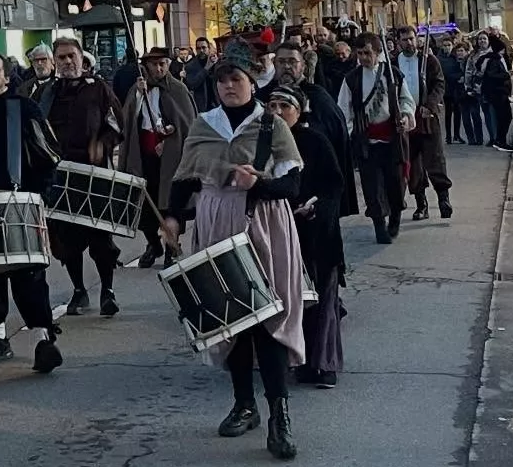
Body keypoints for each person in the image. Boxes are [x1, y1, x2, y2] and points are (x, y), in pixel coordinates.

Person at [163, 42, 303, 460]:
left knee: (266, 318)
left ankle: (279, 414)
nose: (228, 86)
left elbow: (292, 187)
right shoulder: (203, 126)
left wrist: (256, 184)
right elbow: (184, 180)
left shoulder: (271, 126)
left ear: (251, 82)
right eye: (222, 80)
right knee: (231, 319)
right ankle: (244, 404)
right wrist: (173, 218)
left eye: (236, 79)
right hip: (214, 223)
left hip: (263, 224)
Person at [0, 52, 64, 373]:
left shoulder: (23, 108)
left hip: (19, 202)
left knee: (28, 275)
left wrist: (41, 198)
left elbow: (49, 155)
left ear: (7, 76)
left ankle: (42, 339)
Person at [30, 37, 124, 316]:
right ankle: (79, 290)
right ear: (55, 62)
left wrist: (103, 144)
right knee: (67, 240)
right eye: (62, 57)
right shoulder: (46, 93)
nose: (67, 62)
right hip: (59, 176)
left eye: (72, 56)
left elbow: (117, 125)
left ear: (82, 59)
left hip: (93, 175)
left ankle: (107, 291)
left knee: (100, 238)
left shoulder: (99, 90)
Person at [267, 86, 346, 390]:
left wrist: (317, 209)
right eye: (271, 105)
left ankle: (325, 364)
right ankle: (296, 359)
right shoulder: (265, 143)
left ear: (298, 111)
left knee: (323, 301)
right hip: (280, 230)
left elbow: (334, 185)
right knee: (290, 300)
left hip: (317, 233)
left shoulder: (314, 140)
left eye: (284, 106)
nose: (277, 112)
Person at [260, 41, 358, 221]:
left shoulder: (318, 96)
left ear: (303, 66)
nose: (287, 67)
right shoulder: (263, 95)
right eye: (281, 62)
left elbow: (335, 134)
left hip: (311, 181)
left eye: (292, 62)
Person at [121, 47, 197, 268]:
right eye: (154, 64)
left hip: (170, 159)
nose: (159, 68)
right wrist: (137, 95)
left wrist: (170, 140)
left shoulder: (178, 89)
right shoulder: (138, 89)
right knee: (145, 204)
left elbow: (187, 123)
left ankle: (172, 247)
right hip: (144, 156)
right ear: (146, 66)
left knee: (171, 204)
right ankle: (153, 243)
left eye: (163, 63)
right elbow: (127, 121)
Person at [338, 33, 416, 243]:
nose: (363, 57)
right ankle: (379, 225)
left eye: (367, 53)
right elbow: (344, 110)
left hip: (392, 140)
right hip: (367, 143)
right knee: (372, 187)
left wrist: (405, 117)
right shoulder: (351, 79)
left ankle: (396, 218)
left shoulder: (392, 74)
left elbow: (406, 100)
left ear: (378, 52)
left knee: (395, 183)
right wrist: (352, 133)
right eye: (360, 53)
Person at [394, 26, 452, 221]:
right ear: (398, 42)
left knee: (435, 159)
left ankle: (444, 199)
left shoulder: (428, 60)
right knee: (413, 164)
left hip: (426, 117)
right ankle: (421, 204)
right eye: (404, 40)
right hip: (406, 119)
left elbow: (439, 84)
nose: (409, 43)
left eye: (411, 39)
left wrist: (430, 104)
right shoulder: (393, 63)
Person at [480, 35, 513, 152]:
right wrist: (506, 75)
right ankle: (501, 141)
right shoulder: (495, 60)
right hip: (498, 93)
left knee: (503, 117)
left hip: (499, 93)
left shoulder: (494, 59)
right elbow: (492, 75)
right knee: (505, 117)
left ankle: (500, 140)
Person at [441, 43, 467, 145]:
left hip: (458, 90)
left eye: (449, 45)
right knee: (448, 114)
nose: (447, 47)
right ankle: (448, 136)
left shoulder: (458, 59)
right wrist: (458, 77)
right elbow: (446, 74)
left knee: (458, 113)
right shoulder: (444, 60)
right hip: (448, 90)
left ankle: (456, 135)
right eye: (445, 45)